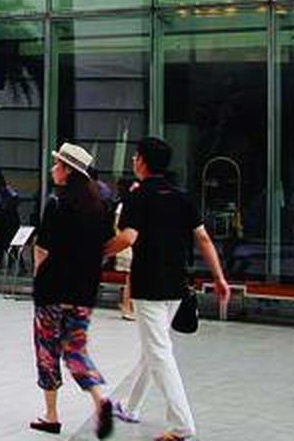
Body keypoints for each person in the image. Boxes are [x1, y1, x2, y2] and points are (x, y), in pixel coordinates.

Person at [104, 137, 231, 441]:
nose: (133, 161)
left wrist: (97, 252)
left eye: (136, 156)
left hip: (149, 285)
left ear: (143, 162)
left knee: (159, 351)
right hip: (177, 285)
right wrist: (220, 277)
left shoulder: (139, 195)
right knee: (155, 348)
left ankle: (182, 425)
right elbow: (203, 239)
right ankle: (130, 407)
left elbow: (128, 237)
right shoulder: (180, 196)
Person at [29, 143, 114, 438]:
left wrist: (39, 277)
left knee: (47, 350)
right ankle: (100, 399)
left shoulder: (56, 203)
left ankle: (51, 415)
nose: (54, 169)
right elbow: (106, 245)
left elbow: (42, 249)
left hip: (52, 290)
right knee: (76, 348)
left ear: (67, 170)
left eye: (57, 165)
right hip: (84, 291)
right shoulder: (100, 206)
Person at [114, 177, 138, 321]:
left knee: (131, 278)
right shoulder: (125, 206)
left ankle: (128, 306)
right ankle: (127, 307)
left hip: (127, 245)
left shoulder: (124, 204)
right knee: (131, 278)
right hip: (127, 246)